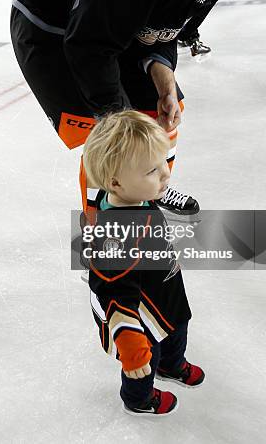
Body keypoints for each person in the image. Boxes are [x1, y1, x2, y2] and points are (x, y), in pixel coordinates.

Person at [10, 0, 266, 220]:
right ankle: (105, 239)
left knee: (165, 106)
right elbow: (88, 43)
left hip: (107, 21)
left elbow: (161, 35)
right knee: (108, 136)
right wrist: (120, 125)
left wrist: (164, 81)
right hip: (51, 21)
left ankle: (153, 186)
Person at [83, 110, 204, 416]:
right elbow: (111, 293)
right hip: (141, 317)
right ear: (116, 182)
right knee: (144, 361)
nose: (166, 173)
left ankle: (172, 366)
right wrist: (130, 343)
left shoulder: (135, 196)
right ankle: (139, 398)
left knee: (177, 329)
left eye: (163, 162)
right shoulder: (114, 236)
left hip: (165, 291)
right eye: (152, 170)